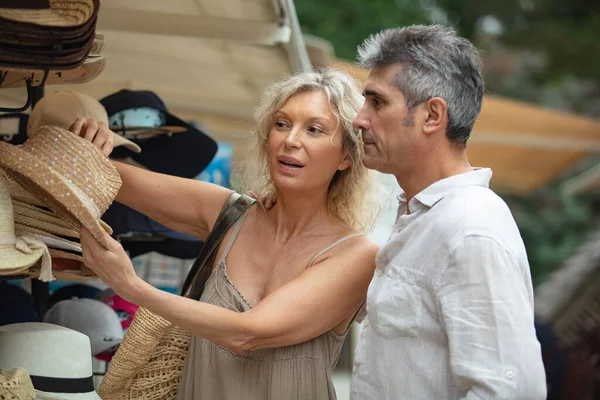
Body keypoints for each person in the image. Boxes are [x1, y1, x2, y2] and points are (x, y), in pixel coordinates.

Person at [73, 69, 380, 399]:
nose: (291, 139)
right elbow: (107, 176)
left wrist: (130, 286)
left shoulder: (356, 255)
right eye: (281, 123)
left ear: (347, 156)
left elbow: (248, 333)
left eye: (314, 129)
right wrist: (90, 132)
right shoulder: (229, 214)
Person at [348, 25, 547, 399]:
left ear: (432, 116)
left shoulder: (470, 229)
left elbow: (511, 391)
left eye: (377, 102)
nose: (359, 119)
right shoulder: (424, 216)